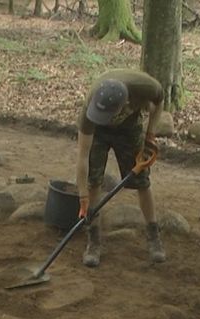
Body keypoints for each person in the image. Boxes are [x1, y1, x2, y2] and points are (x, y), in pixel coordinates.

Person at [75, 69, 165, 268]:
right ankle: (93, 240)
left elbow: (159, 102)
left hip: (129, 127)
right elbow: (82, 157)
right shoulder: (90, 113)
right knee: (93, 180)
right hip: (98, 132)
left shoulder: (146, 87)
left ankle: (153, 234)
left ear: (124, 105)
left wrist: (150, 134)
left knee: (142, 179)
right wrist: (82, 196)